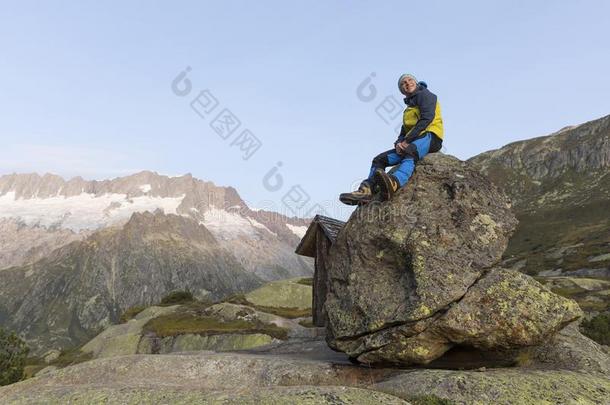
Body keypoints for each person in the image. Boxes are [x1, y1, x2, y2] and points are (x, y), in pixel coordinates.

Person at [340, 73, 444, 205]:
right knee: (379, 160)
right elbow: (403, 131)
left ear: (416, 83)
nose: (407, 83)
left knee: (410, 151)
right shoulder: (409, 109)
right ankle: (366, 191)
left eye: (410, 80)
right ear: (402, 91)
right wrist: (398, 144)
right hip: (412, 141)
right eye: (403, 83)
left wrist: (406, 141)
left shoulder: (426, 95)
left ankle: (394, 182)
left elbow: (427, 119)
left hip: (431, 136)